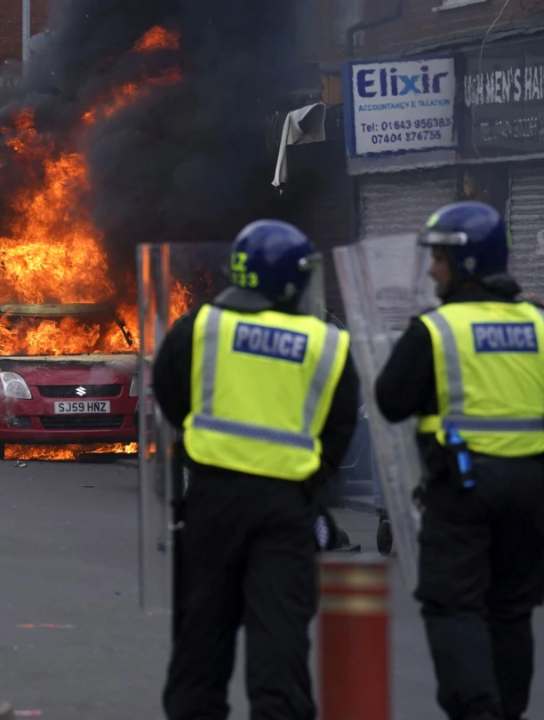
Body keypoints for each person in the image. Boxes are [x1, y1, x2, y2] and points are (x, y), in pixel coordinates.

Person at [152, 220, 360, 720]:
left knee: (201, 646)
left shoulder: (203, 325)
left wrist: (204, 440)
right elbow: (340, 426)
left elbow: (168, 389)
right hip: (287, 510)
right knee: (281, 650)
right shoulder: (324, 342)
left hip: (212, 502)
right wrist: (309, 478)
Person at [375, 201, 544, 720]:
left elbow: (391, 400)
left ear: (467, 263)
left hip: (463, 491)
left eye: (441, 258)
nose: (432, 269)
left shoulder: (437, 330)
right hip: (532, 492)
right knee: (511, 610)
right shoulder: (538, 323)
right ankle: (508, 711)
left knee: (454, 605)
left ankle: (478, 711)